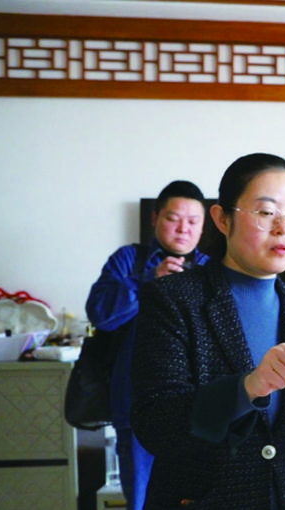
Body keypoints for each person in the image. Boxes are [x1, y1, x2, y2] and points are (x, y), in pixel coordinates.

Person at [130, 153, 285, 509]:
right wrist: (246, 388)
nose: (283, 228)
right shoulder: (172, 299)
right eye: (266, 212)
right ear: (222, 218)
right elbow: (155, 423)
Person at [86, 179, 210, 510]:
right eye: (173, 218)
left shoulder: (211, 269)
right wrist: (148, 283)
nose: (183, 229)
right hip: (135, 404)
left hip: (200, 407)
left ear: (204, 226)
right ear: (155, 218)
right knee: (141, 500)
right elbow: (101, 315)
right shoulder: (128, 260)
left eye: (193, 221)